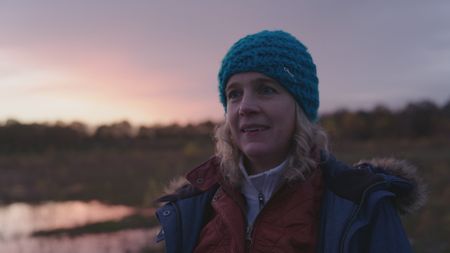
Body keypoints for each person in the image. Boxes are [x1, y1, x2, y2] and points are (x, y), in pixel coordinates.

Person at [155, 30, 426, 253]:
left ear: (301, 107)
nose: (245, 107)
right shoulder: (192, 204)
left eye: (266, 89)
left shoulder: (362, 205)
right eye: (234, 94)